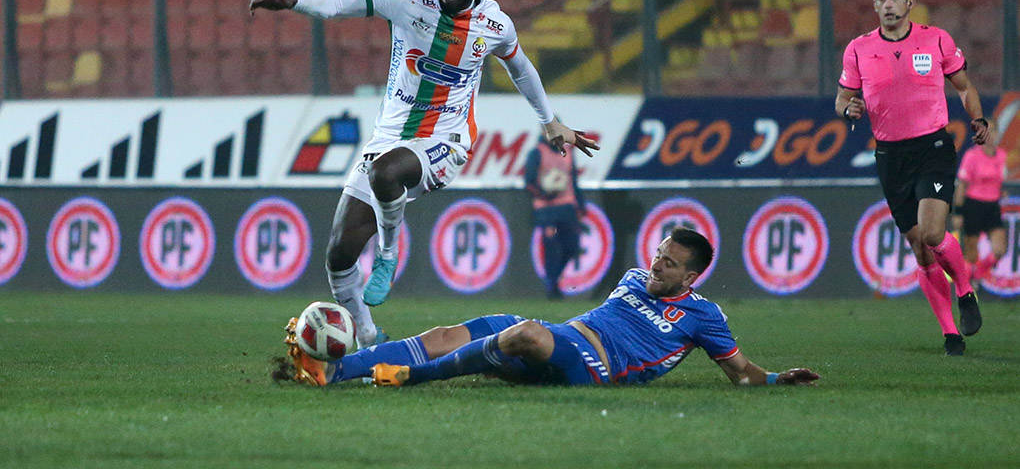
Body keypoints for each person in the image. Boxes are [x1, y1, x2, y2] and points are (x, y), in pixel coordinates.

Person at [250, 0, 599, 348]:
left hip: (447, 140)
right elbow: (342, 4)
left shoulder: (494, 25)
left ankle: (387, 253)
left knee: (386, 173)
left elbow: (520, 68)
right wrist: (296, 3)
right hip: (389, 136)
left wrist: (549, 121)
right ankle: (368, 336)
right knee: (339, 254)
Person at [277, 228, 820, 389]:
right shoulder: (634, 278)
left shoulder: (705, 317)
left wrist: (774, 380)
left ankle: (403, 378)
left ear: (692, 276)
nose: (656, 267)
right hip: (569, 334)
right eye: (657, 255)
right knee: (459, 329)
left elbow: (739, 373)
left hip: (594, 366)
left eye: (670, 265)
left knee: (527, 336)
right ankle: (332, 369)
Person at [835, 0, 989, 356]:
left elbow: (965, 86)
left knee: (934, 233)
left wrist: (979, 118)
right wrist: (849, 108)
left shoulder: (935, 40)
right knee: (920, 249)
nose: (887, 4)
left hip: (933, 148)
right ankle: (950, 333)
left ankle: (965, 288)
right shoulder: (858, 49)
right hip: (890, 156)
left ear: (909, 2)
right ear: (874, 4)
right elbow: (842, 99)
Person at [524, 130, 586, 299]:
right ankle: (552, 285)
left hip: (567, 205)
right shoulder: (536, 153)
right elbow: (529, 182)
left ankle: (554, 278)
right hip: (546, 209)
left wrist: (580, 205)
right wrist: (544, 194)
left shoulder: (567, 152)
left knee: (572, 246)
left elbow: (573, 180)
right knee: (551, 246)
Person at [952, 117, 1008, 283]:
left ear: (997, 133)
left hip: (992, 207)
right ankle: (966, 289)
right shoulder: (971, 156)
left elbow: (1000, 181)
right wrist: (958, 213)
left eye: (992, 130)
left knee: (999, 249)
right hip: (973, 205)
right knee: (971, 253)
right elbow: (962, 186)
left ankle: (978, 273)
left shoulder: (1002, 156)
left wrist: (1001, 192)